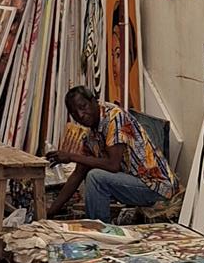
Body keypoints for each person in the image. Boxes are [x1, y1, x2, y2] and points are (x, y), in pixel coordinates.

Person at [47, 85, 179, 222]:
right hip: (138, 184)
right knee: (90, 174)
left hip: (157, 188)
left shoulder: (114, 117)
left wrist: (71, 156)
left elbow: (112, 165)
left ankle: (99, 229)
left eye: (83, 107)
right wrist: (49, 213)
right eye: (74, 113)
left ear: (94, 101)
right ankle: (96, 225)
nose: (80, 115)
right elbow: (77, 174)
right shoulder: (91, 135)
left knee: (96, 177)